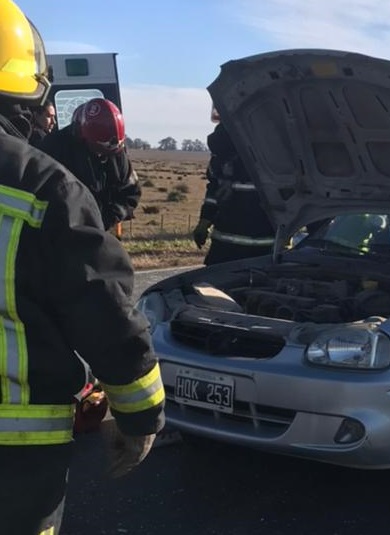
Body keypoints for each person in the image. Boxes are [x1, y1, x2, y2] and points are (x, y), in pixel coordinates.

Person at [0, 2, 165, 533]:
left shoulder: (74, 171)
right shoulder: (40, 183)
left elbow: (129, 193)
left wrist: (105, 213)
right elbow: (102, 311)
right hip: (16, 454)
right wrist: (139, 416)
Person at [38, 98, 141, 232]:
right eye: (99, 150)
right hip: (63, 235)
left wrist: (108, 218)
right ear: (83, 137)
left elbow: (131, 191)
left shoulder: (115, 151)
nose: (103, 156)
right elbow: (42, 196)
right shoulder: (54, 149)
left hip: (101, 232)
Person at [192, 119, 275, 265]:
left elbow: (214, 188)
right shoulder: (279, 158)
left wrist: (204, 221)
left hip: (232, 248)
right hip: (264, 248)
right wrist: (204, 220)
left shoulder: (223, 157)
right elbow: (214, 190)